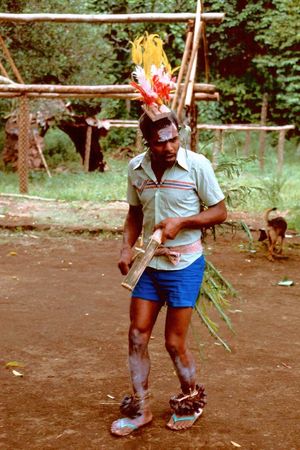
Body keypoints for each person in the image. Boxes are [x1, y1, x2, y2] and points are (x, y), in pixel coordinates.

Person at [111, 110, 227, 436]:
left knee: (174, 343)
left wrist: (183, 222)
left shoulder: (198, 166)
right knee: (136, 335)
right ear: (148, 142)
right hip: (148, 263)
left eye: (175, 138)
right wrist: (125, 247)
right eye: (161, 143)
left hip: (185, 266)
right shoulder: (137, 168)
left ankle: (192, 399)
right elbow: (135, 212)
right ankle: (140, 407)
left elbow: (219, 211)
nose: (170, 147)